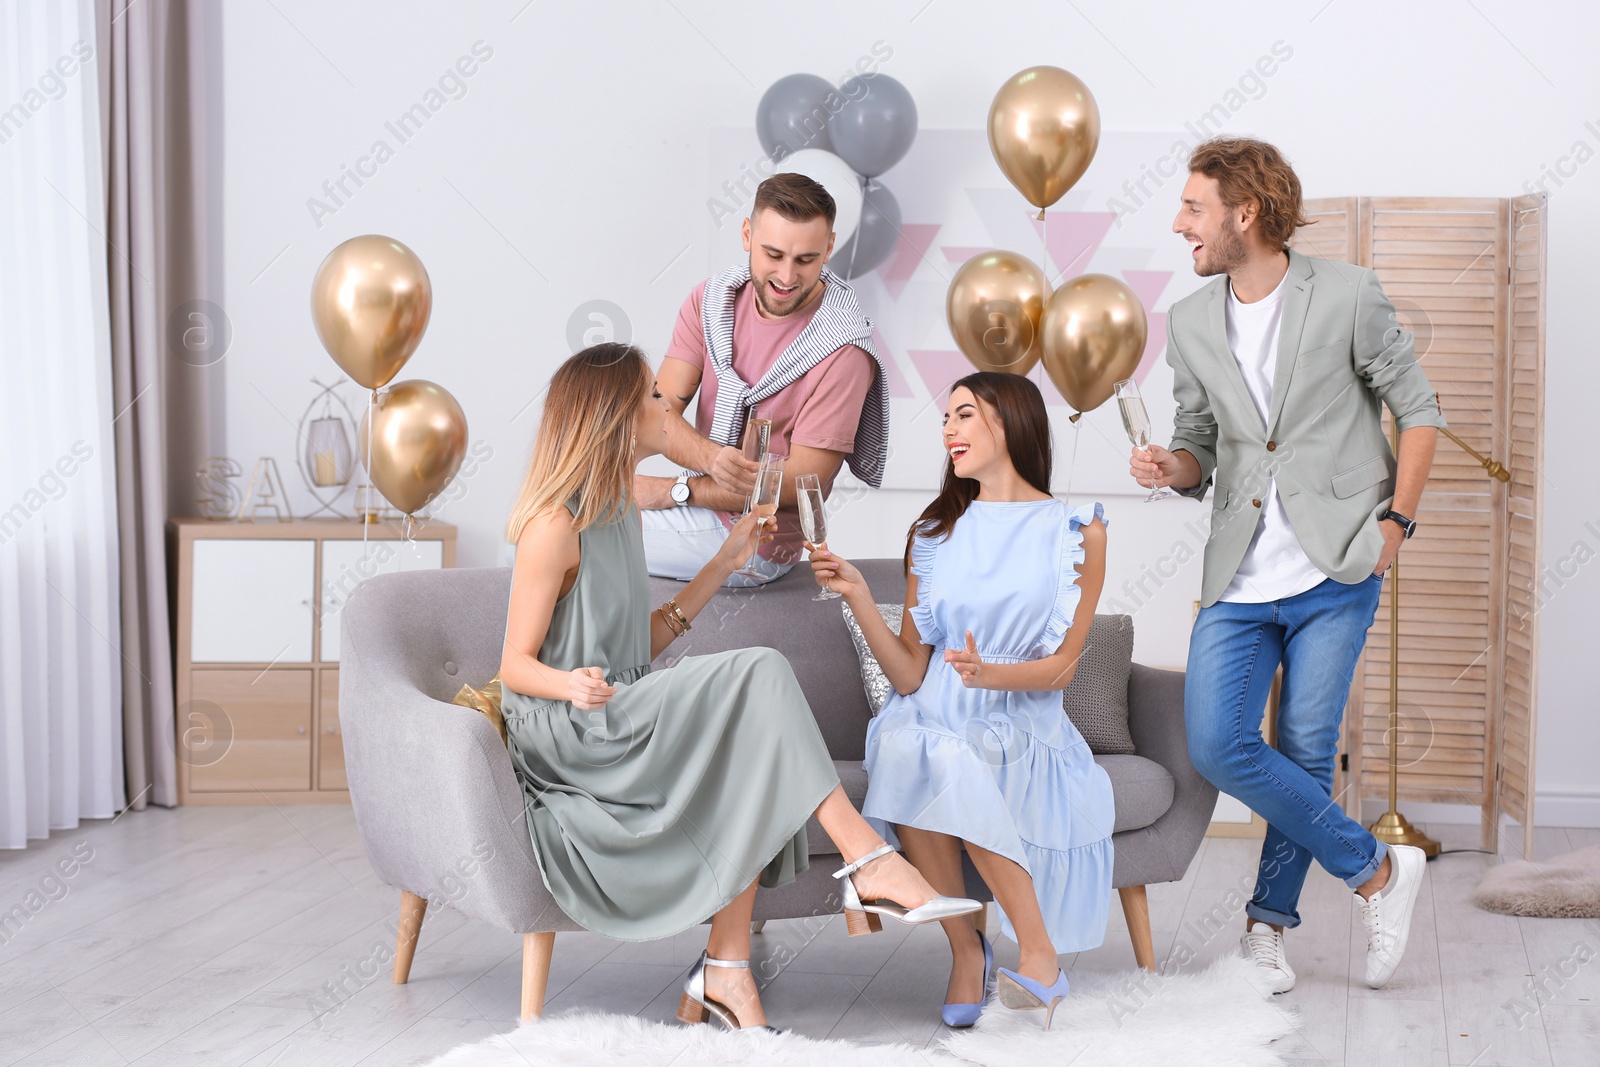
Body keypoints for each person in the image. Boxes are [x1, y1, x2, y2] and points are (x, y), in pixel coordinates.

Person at [498, 342, 980, 1033]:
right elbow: (514, 664)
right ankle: (868, 859)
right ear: (613, 416)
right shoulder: (553, 524)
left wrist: (725, 562)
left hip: (620, 703)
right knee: (758, 671)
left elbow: (642, 643)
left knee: (750, 741)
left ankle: (727, 966)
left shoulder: (618, 511)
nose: (668, 407)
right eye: (653, 398)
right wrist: (568, 683)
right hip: (571, 733)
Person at [1130, 137, 1444, 993]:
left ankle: (1266, 933)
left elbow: (1418, 409)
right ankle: (1377, 869)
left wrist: (1397, 523)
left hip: (1336, 563)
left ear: (1246, 213)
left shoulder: (1345, 294)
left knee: (1304, 752)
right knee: (1218, 742)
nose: (1179, 224)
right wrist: (1173, 466)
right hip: (1238, 571)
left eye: (1194, 209)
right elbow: (1202, 442)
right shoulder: (1189, 320)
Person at [808, 371, 1114, 1031]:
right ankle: (969, 946)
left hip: (1020, 722)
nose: (949, 429)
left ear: (1010, 421)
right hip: (935, 711)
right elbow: (912, 675)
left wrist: (990, 677)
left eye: (964, 414)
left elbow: (1061, 669)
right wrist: (860, 593)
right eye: (947, 417)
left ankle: (1033, 951)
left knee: (951, 756)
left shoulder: (1076, 532)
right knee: (906, 740)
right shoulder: (934, 531)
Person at [634, 171, 890, 587]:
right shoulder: (710, 303)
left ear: (828, 248)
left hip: (762, 541)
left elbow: (797, 486)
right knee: (546, 517)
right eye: (773, 254)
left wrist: (671, 490)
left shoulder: (845, 348)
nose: (787, 277)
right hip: (702, 511)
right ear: (747, 234)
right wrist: (711, 461)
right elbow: (655, 413)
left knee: (545, 539)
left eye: (805, 260)